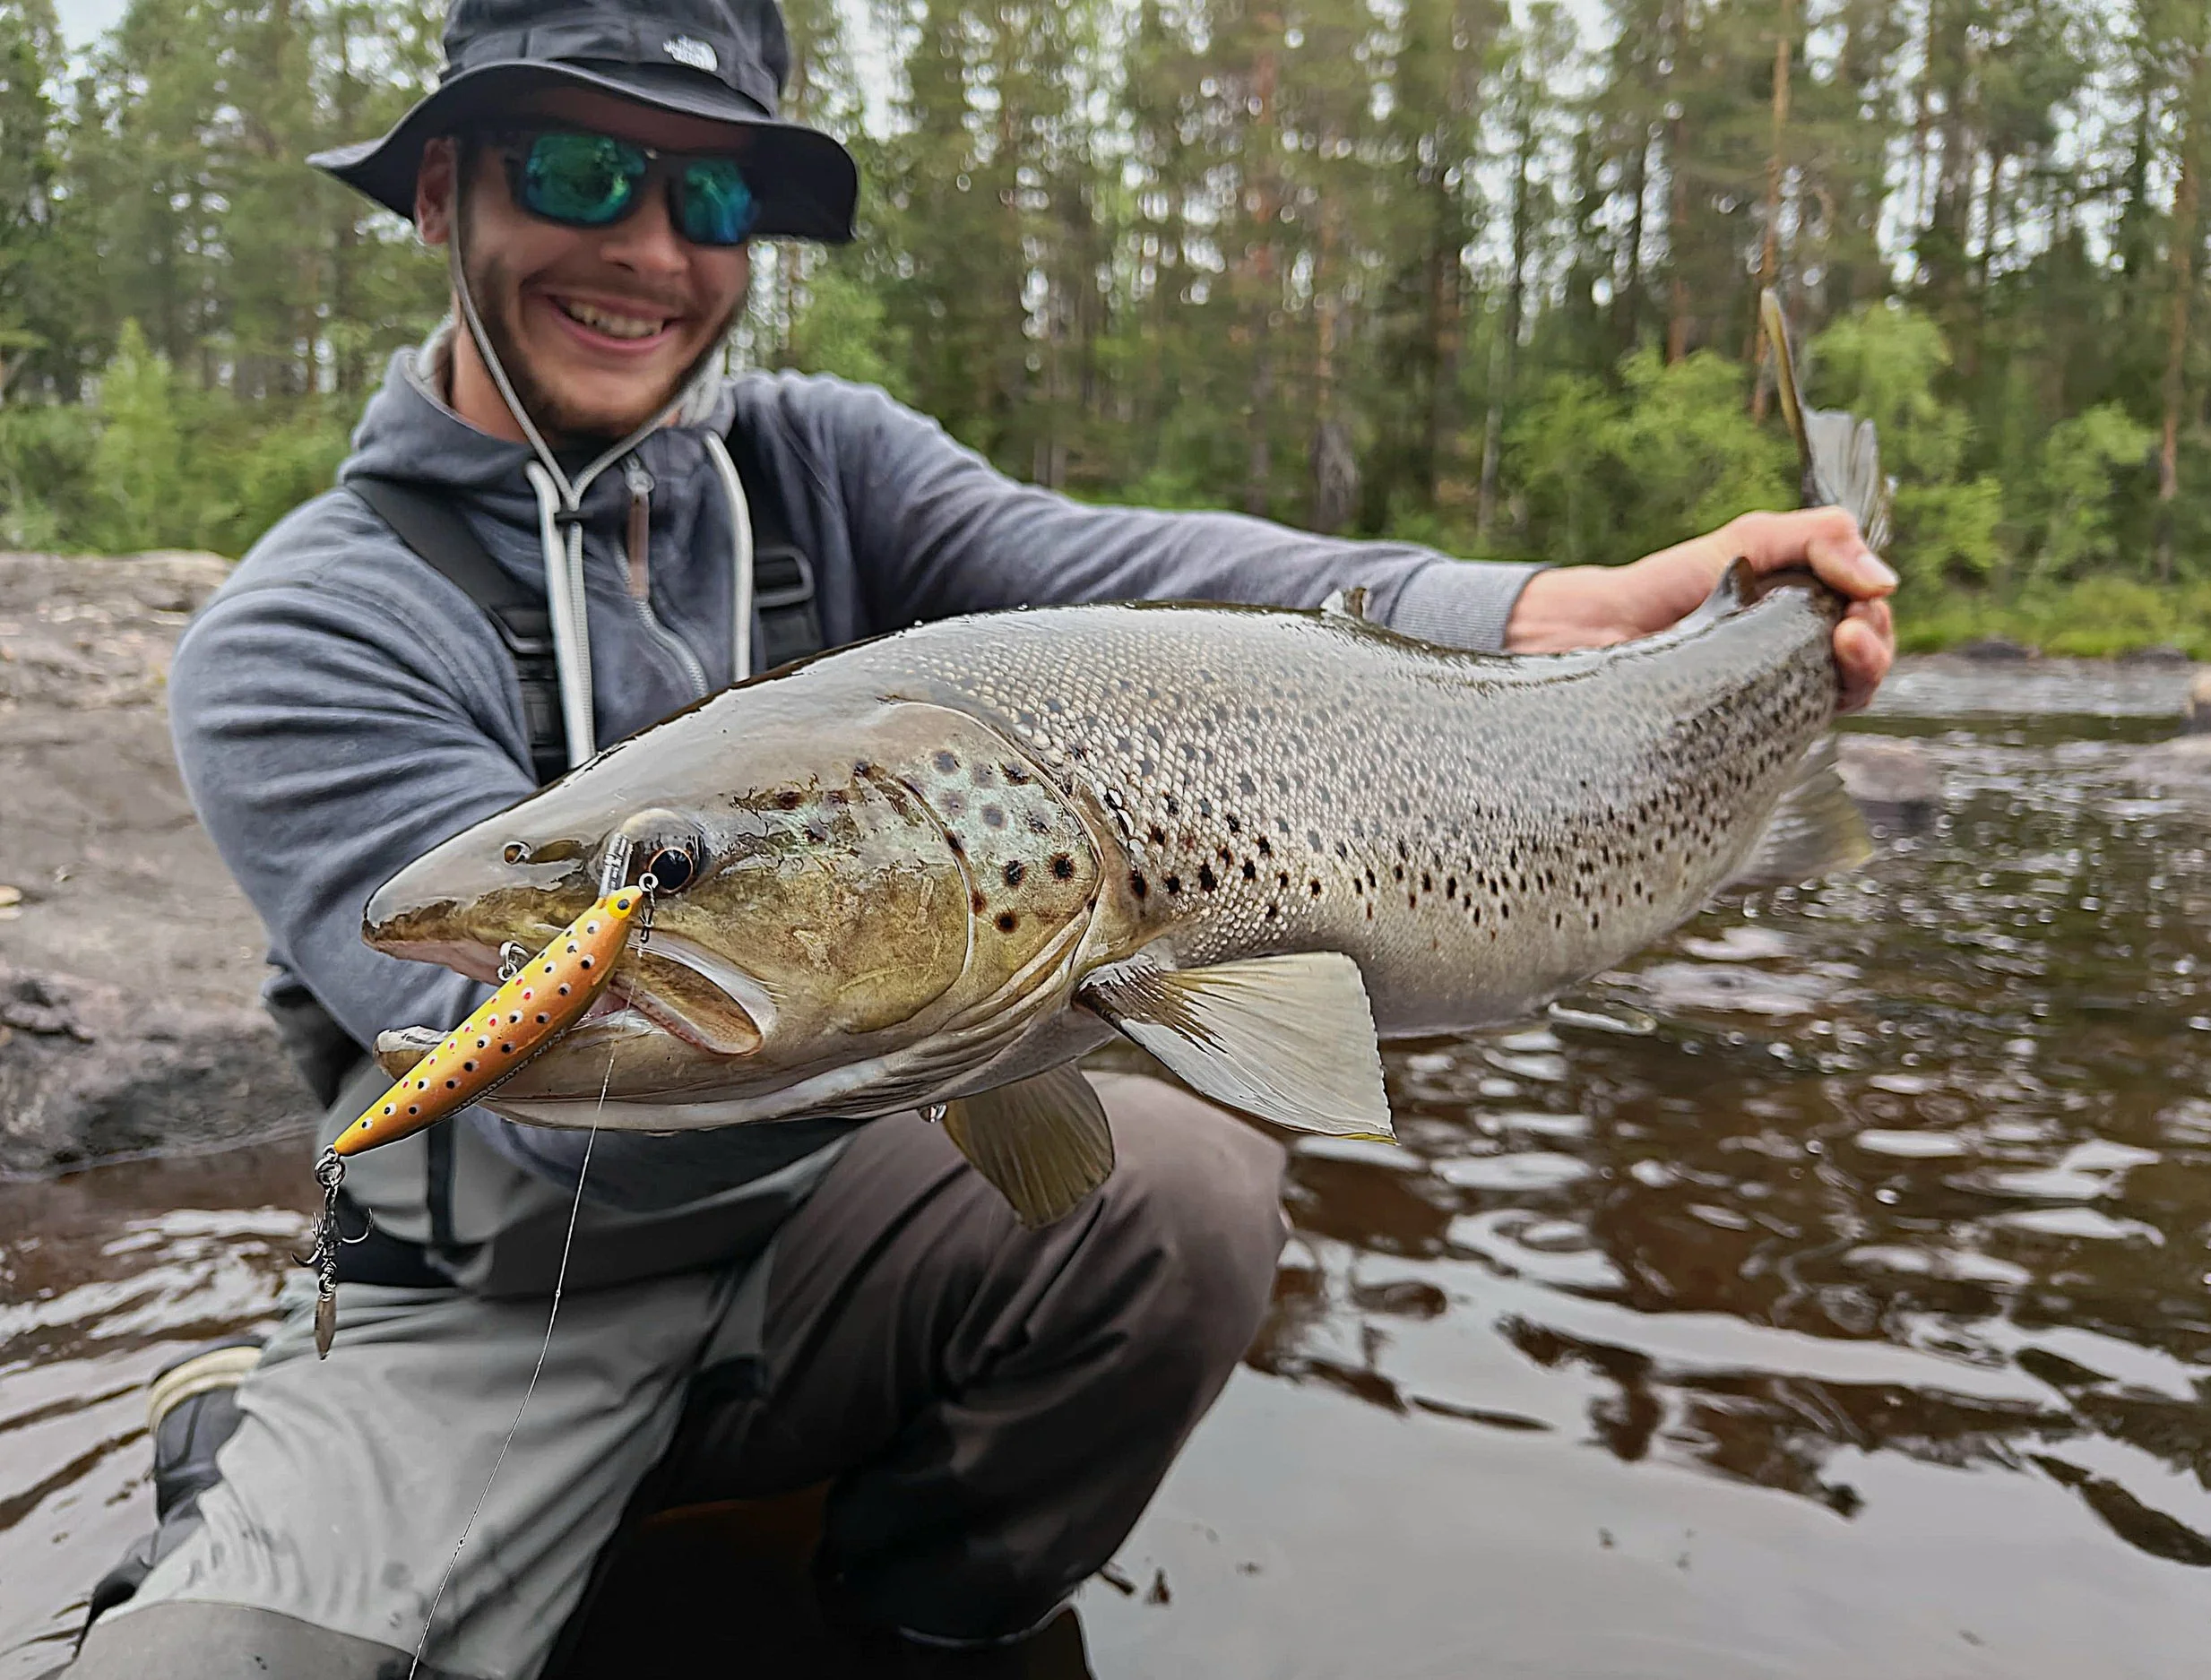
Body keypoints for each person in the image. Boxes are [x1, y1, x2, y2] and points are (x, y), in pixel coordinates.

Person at [57, 0, 1897, 1675]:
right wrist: (953, 991)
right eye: (576, 168)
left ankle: (896, 1623)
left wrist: (1553, 612)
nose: (643, 243)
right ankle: (290, 1442)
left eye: (709, 198)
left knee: (1175, 1192)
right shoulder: (301, 634)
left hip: (830, 1228)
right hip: (491, 1305)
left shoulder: (815, 462)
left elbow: (1149, 581)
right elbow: (528, 1101)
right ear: (441, 193)